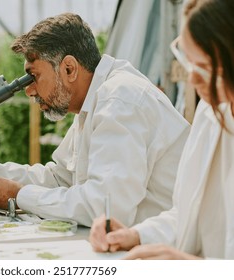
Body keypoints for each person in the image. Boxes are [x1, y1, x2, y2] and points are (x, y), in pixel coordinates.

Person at [0, 13, 190, 227]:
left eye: (33, 77)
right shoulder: (95, 101)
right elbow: (60, 179)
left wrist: (18, 195)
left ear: (69, 68)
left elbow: (105, 208)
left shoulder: (119, 100)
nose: (29, 91)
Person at [89, 0, 234, 259]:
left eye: (204, 67)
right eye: (186, 60)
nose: (192, 78)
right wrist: (137, 235)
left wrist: (192, 266)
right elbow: (188, 212)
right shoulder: (210, 112)